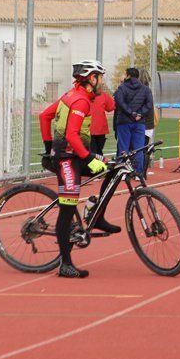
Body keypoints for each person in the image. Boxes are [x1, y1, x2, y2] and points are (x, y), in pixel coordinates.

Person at [39, 60, 119, 278]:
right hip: (67, 158)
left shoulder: (70, 95)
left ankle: (98, 215)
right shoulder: (81, 101)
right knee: (67, 210)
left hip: (75, 154)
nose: (102, 82)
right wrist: (86, 157)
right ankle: (65, 264)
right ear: (91, 79)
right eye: (100, 77)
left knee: (114, 169)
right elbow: (72, 135)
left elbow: (44, 116)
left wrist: (48, 148)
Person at [114, 67, 152, 177]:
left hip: (124, 121)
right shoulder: (145, 89)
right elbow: (149, 104)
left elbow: (120, 103)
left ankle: (122, 172)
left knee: (123, 147)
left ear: (128, 75)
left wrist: (131, 113)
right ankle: (138, 173)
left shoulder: (121, 88)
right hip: (139, 122)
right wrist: (140, 114)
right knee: (139, 148)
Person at [138, 68, 157, 176]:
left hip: (142, 123)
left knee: (139, 148)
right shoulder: (148, 90)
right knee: (145, 147)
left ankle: (139, 171)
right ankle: (142, 172)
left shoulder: (140, 91)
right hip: (149, 124)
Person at [89, 87, 115, 156]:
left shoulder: (83, 95)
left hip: (88, 129)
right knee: (98, 152)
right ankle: (99, 165)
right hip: (100, 129)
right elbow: (111, 107)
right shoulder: (103, 95)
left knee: (91, 153)